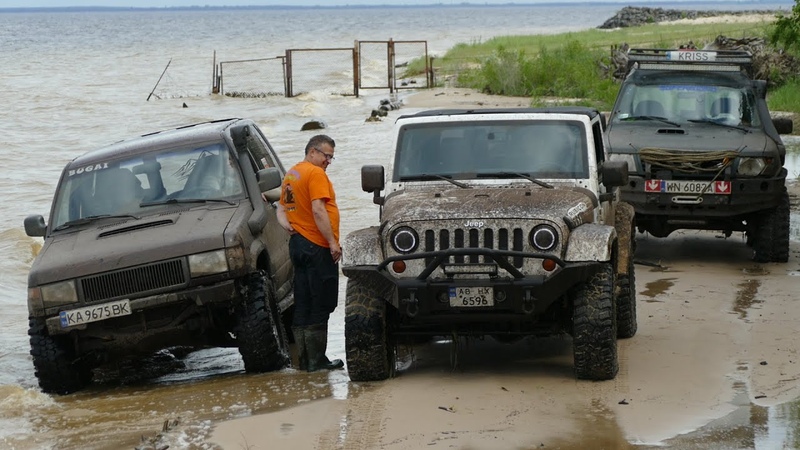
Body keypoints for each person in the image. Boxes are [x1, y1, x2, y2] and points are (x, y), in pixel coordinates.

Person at [276, 134, 344, 372]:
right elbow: (318, 209)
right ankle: (317, 361)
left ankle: (305, 361)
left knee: (303, 300)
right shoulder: (315, 174)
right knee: (321, 301)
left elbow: (281, 207)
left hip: (298, 245)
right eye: (326, 155)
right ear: (312, 151)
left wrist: (285, 224)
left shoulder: (292, 173)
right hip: (316, 245)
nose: (328, 161)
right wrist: (332, 242)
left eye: (331, 158)